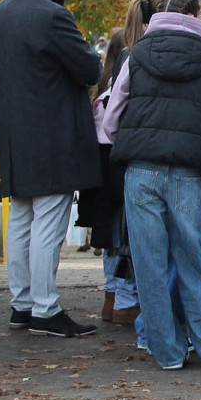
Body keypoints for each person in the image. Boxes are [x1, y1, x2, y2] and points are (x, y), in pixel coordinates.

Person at [103, 0, 201, 370]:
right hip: (189, 174)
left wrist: (132, 143)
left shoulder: (136, 56)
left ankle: (166, 352)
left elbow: (112, 119)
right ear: (196, 14)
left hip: (141, 170)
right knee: (194, 262)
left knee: (149, 266)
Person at [0, 0, 102, 338]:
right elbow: (89, 67)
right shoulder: (53, 15)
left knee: (21, 220)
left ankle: (23, 304)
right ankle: (46, 309)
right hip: (55, 137)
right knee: (49, 222)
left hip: (14, 137)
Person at [79, 26, 138, 325]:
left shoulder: (98, 94)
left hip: (102, 171)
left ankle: (112, 294)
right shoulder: (118, 92)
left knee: (110, 236)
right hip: (120, 166)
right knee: (125, 235)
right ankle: (126, 298)